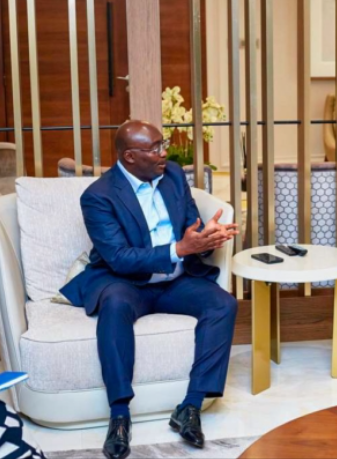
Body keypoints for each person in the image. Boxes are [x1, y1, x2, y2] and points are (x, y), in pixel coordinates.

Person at [61, 120, 239, 459]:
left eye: (163, 144)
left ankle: (190, 405)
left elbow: (190, 226)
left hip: (174, 279)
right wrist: (179, 249)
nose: (164, 152)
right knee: (113, 305)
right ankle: (119, 415)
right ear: (129, 156)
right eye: (155, 147)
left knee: (223, 305)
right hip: (126, 281)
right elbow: (119, 258)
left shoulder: (172, 174)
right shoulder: (98, 196)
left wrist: (204, 239)